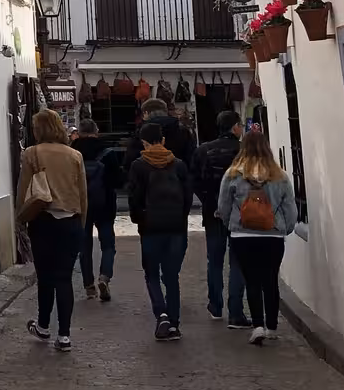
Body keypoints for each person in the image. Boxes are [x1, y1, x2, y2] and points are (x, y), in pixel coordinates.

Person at [217, 129, 299, 344]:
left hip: (242, 235)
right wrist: (285, 228)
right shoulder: (279, 176)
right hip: (272, 236)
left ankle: (258, 325)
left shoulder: (233, 174)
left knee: (251, 280)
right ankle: (272, 326)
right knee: (270, 280)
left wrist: (232, 225)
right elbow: (290, 209)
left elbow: (223, 207)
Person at [16, 109, 87, 352]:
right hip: (71, 221)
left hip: (43, 220)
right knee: (63, 278)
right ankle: (65, 335)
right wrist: (81, 223)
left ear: (40, 129)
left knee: (45, 277)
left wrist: (20, 220)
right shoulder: (75, 155)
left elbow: (24, 188)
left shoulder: (32, 153)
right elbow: (82, 194)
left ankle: (44, 325)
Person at [126, 121, 194, 340]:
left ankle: (161, 314)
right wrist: (181, 219)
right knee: (172, 276)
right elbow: (188, 197)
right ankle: (174, 323)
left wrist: (139, 220)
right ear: (163, 141)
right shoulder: (179, 164)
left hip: (151, 227)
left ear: (144, 143)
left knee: (152, 274)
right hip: (175, 227)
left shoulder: (138, 166)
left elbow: (134, 198)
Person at [193, 110, 249, 327]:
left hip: (213, 213)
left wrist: (209, 200)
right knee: (238, 261)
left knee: (214, 261)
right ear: (235, 127)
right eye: (240, 125)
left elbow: (195, 180)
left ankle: (215, 306)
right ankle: (236, 312)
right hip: (240, 213)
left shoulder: (204, 150)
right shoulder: (244, 151)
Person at [72, 114, 122, 301]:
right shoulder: (107, 153)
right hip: (105, 204)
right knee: (108, 244)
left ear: (79, 133)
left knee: (84, 246)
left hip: (80, 206)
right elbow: (118, 180)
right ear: (96, 132)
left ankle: (89, 286)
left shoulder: (71, 152)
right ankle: (105, 276)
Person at [124, 95, 194, 175]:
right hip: (177, 182)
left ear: (146, 113)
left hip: (147, 182)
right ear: (165, 112)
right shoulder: (183, 131)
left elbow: (129, 162)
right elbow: (191, 159)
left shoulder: (141, 133)